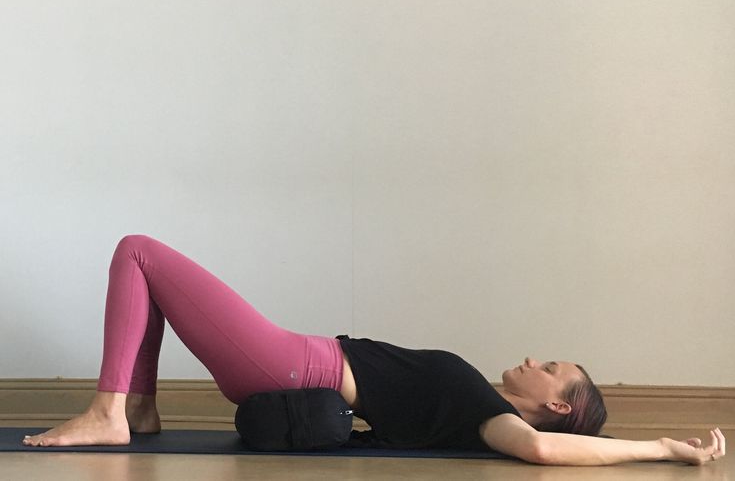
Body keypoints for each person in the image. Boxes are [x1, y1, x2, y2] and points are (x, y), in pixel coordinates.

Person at [22, 235, 726, 466]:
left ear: (551, 401)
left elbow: (544, 452)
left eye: (552, 367)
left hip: (291, 362)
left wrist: (662, 447)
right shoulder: (477, 402)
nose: (536, 356)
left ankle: (110, 409)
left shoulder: (488, 414)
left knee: (137, 253)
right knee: (149, 271)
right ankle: (135, 408)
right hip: (295, 357)